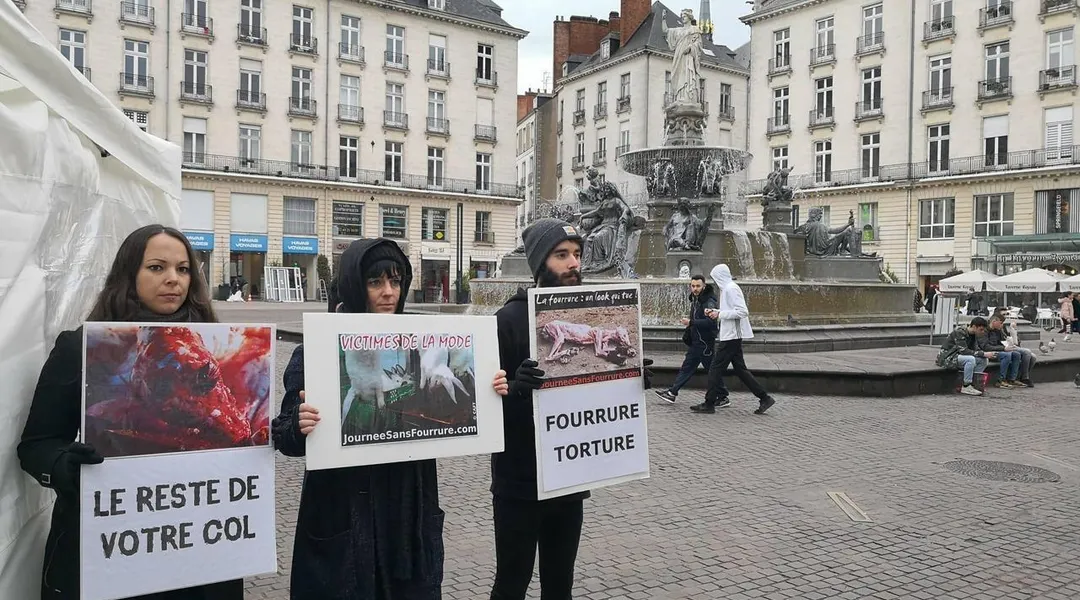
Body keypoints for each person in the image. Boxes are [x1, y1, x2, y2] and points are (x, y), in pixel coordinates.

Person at [271, 238, 509, 600]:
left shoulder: (423, 340)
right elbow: (285, 437)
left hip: (406, 508)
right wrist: (298, 424)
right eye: (375, 282)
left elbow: (450, 401)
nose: (388, 293)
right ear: (354, 285)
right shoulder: (316, 350)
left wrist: (488, 389)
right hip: (344, 513)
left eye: (396, 282)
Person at [18, 224, 241, 600]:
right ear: (129, 274)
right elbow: (36, 445)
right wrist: (64, 466)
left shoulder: (210, 344)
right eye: (157, 267)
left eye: (183, 269)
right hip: (109, 549)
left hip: (199, 554)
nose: (173, 279)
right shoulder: (81, 348)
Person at [489, 218, 651, 599]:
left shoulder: (586, 315)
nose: (574, 263)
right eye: (561, 255)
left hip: (568, 477)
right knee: (512, 581)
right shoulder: (507, 321)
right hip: (519, 481)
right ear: (539, 263)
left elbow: (597, 388)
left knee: (560, 582)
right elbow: (484, 407)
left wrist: (631, 377)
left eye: (577, 254)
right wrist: (514, 389)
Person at [690, 264, 776, 415]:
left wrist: (719, 315)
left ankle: (709, 403)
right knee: (741, 370)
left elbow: (742, 311)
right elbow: (731, 310)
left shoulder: (730, 289)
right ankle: (764, 397)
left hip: (731, 336)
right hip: (731, 335)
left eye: (715, 277)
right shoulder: (728, 288)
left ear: (720, 276)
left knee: (715, 369)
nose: (714, 281)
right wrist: (716, 312)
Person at [656, 274, 717, 403]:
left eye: (698, 286)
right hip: (697, 342)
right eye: (693, 286)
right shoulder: (696, 299)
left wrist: (691, 323)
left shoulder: (708, 301)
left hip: (705, 343)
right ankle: (672, 392)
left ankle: (722, 395)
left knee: (709, 370)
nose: (695, 288)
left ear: (704, 286)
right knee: (689, 368)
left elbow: (711, 322)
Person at [936, 316, 994, 396]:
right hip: (948, 357)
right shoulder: (960, 332)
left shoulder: (973, 335)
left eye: (983, 330)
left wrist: (986, 354)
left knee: (983, 360)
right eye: (981, 329)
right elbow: (963, 351)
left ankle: (974, 383)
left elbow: (975, 349)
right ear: (974, 327)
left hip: (958, 356)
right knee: (970, 359)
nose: (982, 332)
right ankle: (966, 386)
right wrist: (983, 353)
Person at [979, 316, 1021, 389]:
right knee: (1006, 355)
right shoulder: (984, 331)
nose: (1002, 325)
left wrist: (1009, 344)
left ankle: (1012, 379)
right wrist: (1003, 348)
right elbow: (985, 347)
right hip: (988, 352)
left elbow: (1002, 341)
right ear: (994, 322)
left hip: (998, 350)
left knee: (1016, 354)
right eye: (1000, 323)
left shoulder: (998, 330)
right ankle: (1001, 380)